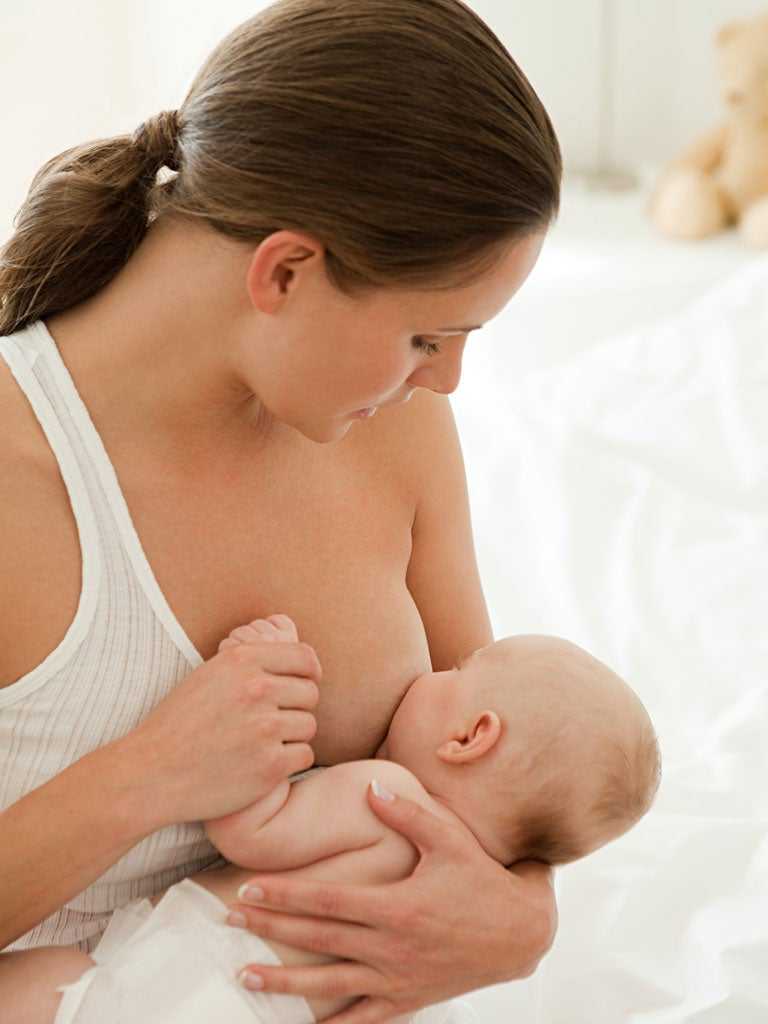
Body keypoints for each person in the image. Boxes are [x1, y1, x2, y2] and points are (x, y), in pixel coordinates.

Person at [0, 1, 563, 1021]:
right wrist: (152, 773)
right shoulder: (14, 472)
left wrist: (524, 922)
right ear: (287, 270)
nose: (448, 383)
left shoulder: (392, 434)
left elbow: (505, 775)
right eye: (429, 338)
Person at [4, 614, 661, 1024]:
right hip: (251, 1006)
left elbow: (247, 832)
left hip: (173, 993)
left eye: (456, 672)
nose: (431, 672)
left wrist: (257, 712)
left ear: (469, 737)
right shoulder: (459, 903)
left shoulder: (387, 794)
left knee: (36, 982)